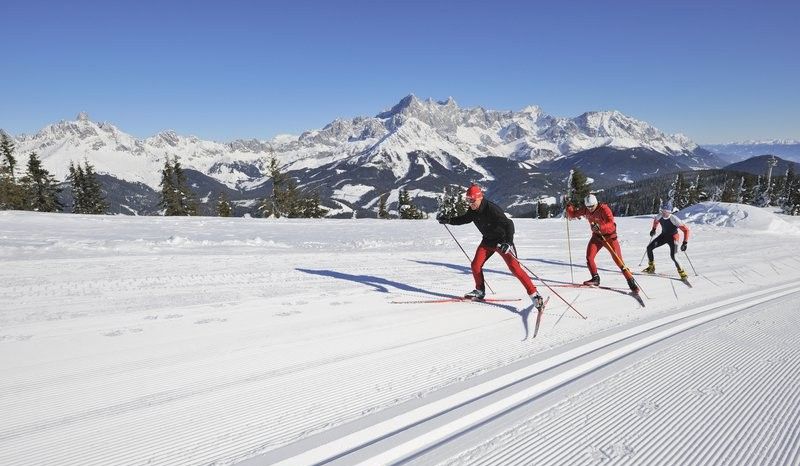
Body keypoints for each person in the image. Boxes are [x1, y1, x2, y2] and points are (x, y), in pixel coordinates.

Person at [437, 184, 545, 311]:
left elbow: (509, 224)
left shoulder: (491, 208)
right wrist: (448, 220)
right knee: (475, 265)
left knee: (515, 269)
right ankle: (479, 291)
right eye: (468, 200)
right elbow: (465, 219)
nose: (470, 203)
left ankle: (535, 295)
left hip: (502, 241)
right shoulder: (473, 210)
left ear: (479, 198)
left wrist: (508, 242)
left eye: (472, 200)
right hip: (488, 241)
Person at [566, 194, 639, 293]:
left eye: (592, 206)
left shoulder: (604, 209)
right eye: (588, 207)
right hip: (597, 237)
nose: (590, 209)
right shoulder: (586, 209)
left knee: (618, 261)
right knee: (589, 257)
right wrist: (569, 206)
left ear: (596, 203)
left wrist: (600, 226)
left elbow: (611, 224)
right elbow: (573, 214)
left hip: (609, 238)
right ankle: (595, 279)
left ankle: (631, 282)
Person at [643, 201, 690, 279]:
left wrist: (685, 242)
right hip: (663, 236)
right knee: (649, 248)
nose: (664, 213)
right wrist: (653, 229)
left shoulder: (674, 218)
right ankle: (651, 267)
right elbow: (656, 221)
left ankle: (682, 273)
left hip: (673, 238)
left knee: (673, 256)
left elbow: (686, 230)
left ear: (670, 211)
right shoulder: (660, 215)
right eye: (663, 210)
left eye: (667, 211)